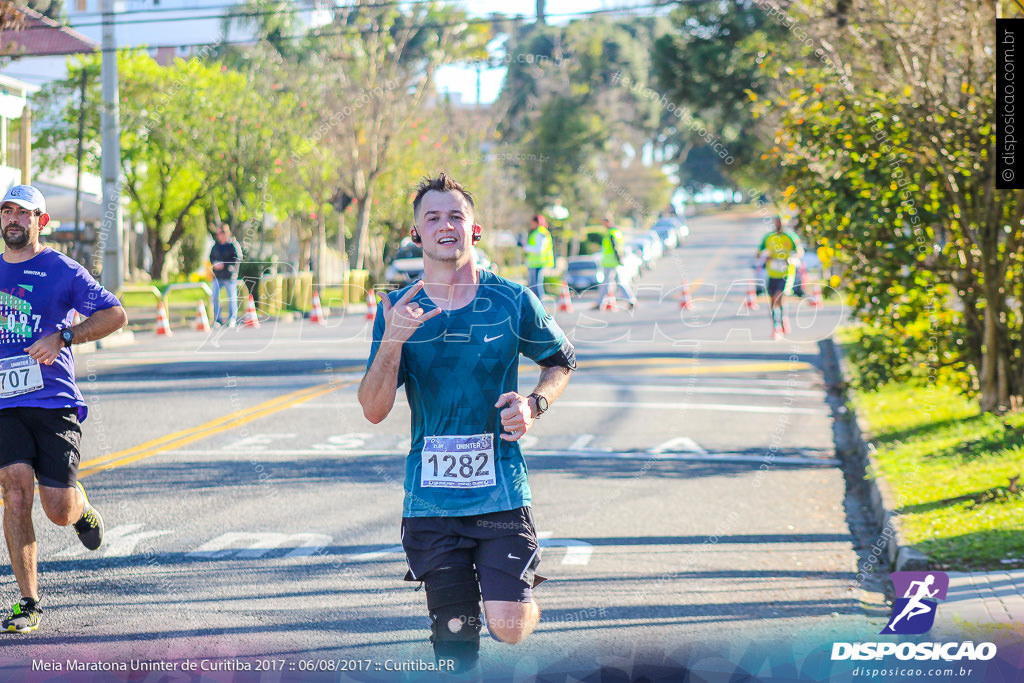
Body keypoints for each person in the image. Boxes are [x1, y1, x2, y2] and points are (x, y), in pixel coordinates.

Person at [358, 173, 576, 673]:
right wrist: (393, 340)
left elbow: (561, 360)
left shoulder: (513, 300)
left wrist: (534, 404)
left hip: (501, 493)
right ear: (417, 235)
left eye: (456, 215)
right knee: (454, 643)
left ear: (474, 230)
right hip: (431, 499)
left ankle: (511, 598)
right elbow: (372, 409)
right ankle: (465, 609)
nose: (445, 225)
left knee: (509, 626)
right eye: (432, 218)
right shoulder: (398, 309)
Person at [0, 185, 127, 633]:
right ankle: (28, 602)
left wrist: (65, 337)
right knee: (14, 490)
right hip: (4, 405)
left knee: (56, 508)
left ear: (41, 222)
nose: (13, 219)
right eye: (7, 211)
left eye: (23, 213)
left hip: (54, 403)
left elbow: (114, 314)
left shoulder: (61, 270)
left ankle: (80, 507)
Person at [755, 216, 803, 338]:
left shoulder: (790, 236)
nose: (778, 224)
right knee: (772, 301)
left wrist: (791, 258)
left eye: (780, 222)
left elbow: (799, 252)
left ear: (784, 223)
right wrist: (765, 256)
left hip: (786, 273)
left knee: (779, 297)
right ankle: (776, 324)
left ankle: (780, 323)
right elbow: (758, 253)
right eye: (776, 222)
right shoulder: (769, 237)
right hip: (772, 273)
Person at [593, 216, 635, 310]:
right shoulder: (617, 232)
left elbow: (614, 247)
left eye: (603, 222)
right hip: (615, 261)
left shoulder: (611, 233)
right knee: (619, 282)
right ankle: (631, 299)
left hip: (611, 262)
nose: (602, 225)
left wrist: (618, 259)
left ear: (607, 222)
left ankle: (600, 303)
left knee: (606, 283)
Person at [209, 224, 241, 326]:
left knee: (231, 297)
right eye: (217, 233)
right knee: (214, 296)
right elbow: (211, 257)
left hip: (229, 276)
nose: (218, 235)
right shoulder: (216, 246)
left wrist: (224, 264)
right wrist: (215, 264)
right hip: (217, 276)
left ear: (225, 233)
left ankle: (232, 319)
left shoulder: (232, 245)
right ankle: (218, 319)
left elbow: (237, 259)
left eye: (220, 233)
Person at [522, 214, 554, 300]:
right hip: (534, 263)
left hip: (538, 263)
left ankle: (540, 307)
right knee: (534, 286)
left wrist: (526, 247)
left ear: (536, 222)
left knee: (536, 286)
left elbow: (539, 249)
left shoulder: (540, 233)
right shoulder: (538, 232)